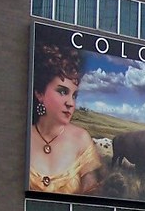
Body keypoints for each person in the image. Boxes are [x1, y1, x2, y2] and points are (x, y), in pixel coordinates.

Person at [28, 43, 102, 194]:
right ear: (39, 93)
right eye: (62, 92)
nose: (70, 103)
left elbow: (92, 198)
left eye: (74, 95)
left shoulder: (81, 139)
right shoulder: (24, 136)